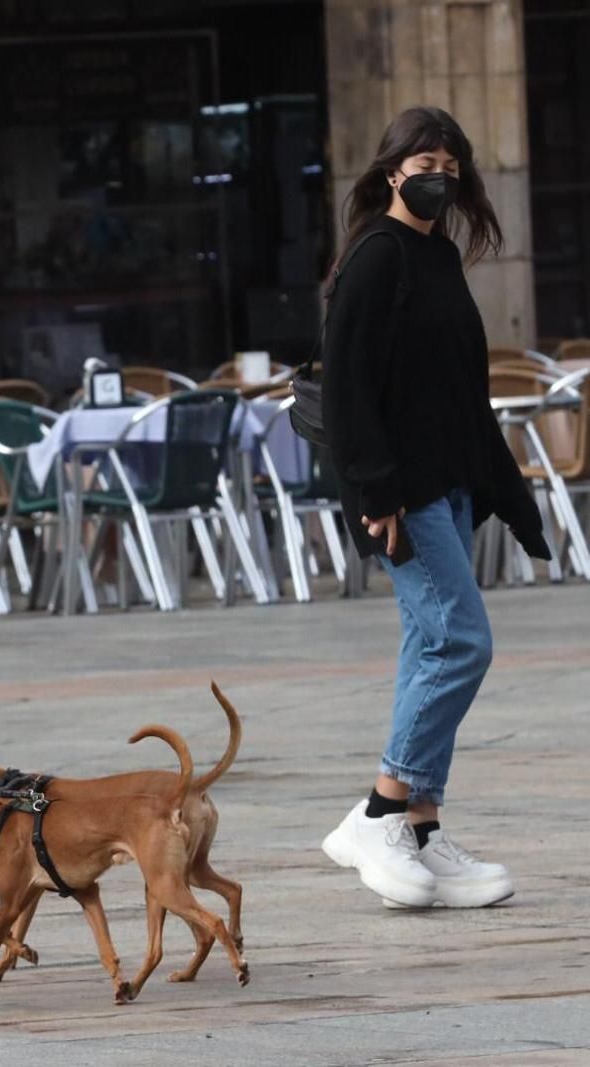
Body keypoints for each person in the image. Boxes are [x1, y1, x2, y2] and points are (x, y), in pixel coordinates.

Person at [319, 106, 549, 910]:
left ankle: (419, 825)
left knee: (429, 646)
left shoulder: (439, 256)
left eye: (450, 161)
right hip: (403, 495)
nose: (438, 175)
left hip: (446, 486)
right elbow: (347, 387)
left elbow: (461, 392)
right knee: (460, 640)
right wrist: (376, 491)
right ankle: (379, 809)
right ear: (392, 172)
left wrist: (510, 499)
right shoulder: (377, 258)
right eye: (424, 161)